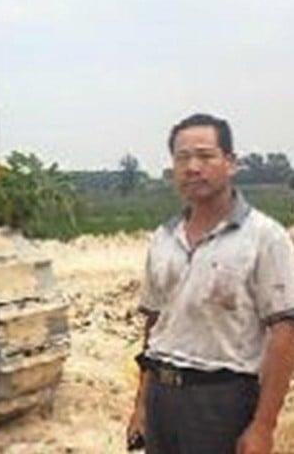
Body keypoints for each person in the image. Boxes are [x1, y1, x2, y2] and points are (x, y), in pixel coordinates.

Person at [127, 113, 294, 453]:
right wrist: (141, 406)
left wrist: (264, 426)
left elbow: (284, 333)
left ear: (230, 163)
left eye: (205, 156)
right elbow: (155, 326)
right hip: (162, 398)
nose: (192, 167)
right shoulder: (163, 238)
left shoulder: (264, 238)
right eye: (182, 158)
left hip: (221, 402)